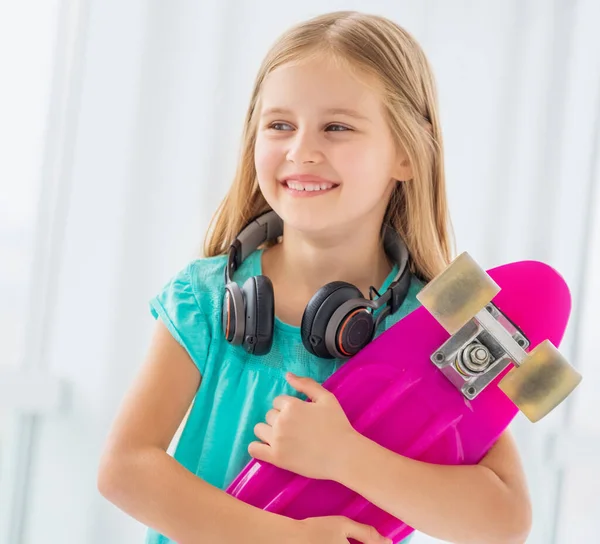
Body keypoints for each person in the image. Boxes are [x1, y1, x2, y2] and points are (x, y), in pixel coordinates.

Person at [97, 10, 532, 544]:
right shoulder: (204, 296)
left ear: (407, 153)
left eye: (337, 127)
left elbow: (506, 523)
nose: (302, 150)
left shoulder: (444, 319)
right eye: (280, 125)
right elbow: (124, 469)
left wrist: (346, 457)